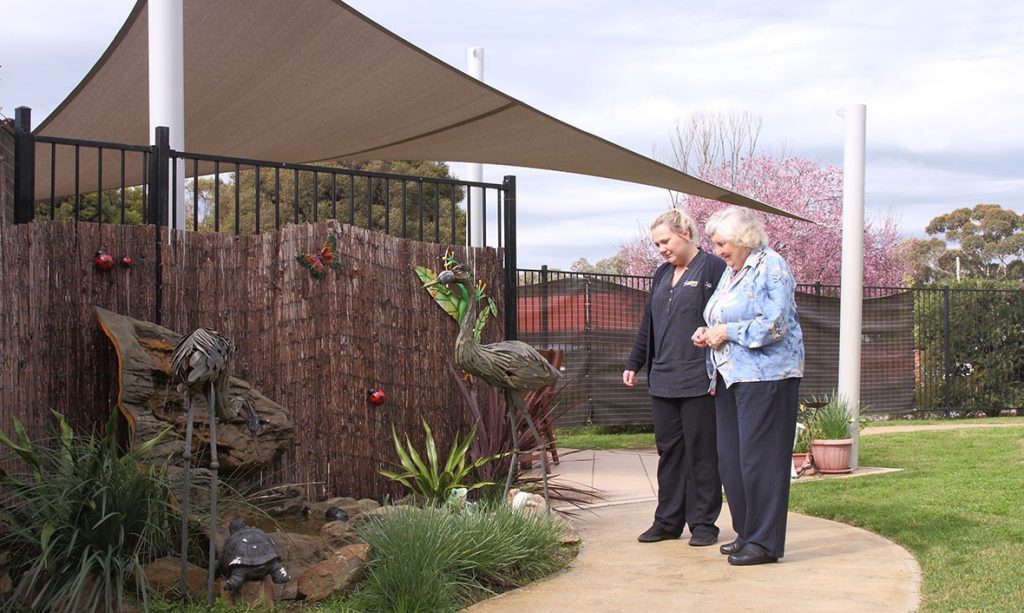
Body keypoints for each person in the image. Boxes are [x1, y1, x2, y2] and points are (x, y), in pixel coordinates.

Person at [692, 206, 804, 566]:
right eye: (715, 243)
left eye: (722, 243)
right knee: (733, 460)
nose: (718, 250)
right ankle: (748, 533)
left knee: (762, 460)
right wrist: (708, 332)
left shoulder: (772, 266)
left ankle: (765, 542)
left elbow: (776, 324)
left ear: (743, 239)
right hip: (730, 376)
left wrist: (727, 332)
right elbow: (721, 316)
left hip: (768, 376)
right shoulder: (731, 273)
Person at [624, 208, 727, 547]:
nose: (662, 249)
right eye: (656, 244)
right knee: (669, 452)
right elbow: (649, 323)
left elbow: (725, 316)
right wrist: (635, 362)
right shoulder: (661, 274)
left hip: (700, 379)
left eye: (665, 241)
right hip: (663, 378)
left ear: (685, 232)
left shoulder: (713, 267)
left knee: (701, 453)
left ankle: (703, 524)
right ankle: (667, 522)